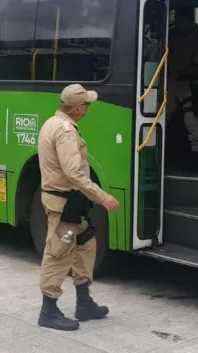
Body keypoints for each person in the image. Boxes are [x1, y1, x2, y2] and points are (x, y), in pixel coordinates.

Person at [36, 84, 121, 331]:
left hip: (70, 203)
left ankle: (84, 302)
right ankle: (48, 311)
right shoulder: (65, 132)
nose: (88, 107)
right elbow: (74, 173)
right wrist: (102, 196)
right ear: (76, 108)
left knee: (86, 243)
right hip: (63, 203)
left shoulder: (53, 123)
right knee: (59, 253)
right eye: (86, 104)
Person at [166, 7, 198, 164]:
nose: (178, 22)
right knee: (161, 117)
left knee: (192, 118)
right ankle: (158, 150)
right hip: (169, 81)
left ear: (189, 20)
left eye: (181, 18)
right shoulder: (171, 35)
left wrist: (184, 72)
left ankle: (196, 155)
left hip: (189, 83)